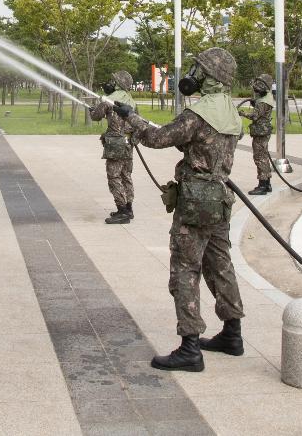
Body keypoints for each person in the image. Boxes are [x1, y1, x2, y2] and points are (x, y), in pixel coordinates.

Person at [115, 47, 246, 372]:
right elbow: (196, 142)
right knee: (220, 265)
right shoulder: (230, 112)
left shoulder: (197, 115)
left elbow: (158, 139)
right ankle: (232, 333)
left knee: (186, 269)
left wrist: (131, 116)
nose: (193, 75)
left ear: (211, 77)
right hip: (219, 199)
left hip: (196, 203)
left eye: (199, 70)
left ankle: (190, 347)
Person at [90, 70, 137, 224]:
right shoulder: (131, 100)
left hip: (115, 144)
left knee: (114, 176)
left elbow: (96, 116)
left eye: (113, 81)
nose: (110, 83)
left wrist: (92, 110)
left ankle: (122, 211)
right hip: (128, 142)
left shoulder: (109, 100)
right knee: (126, 175)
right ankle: (128, 208)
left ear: (118, 84)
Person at [238, 73, 274, 195]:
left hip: (261, 132)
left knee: (260, 158)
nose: (256, 88)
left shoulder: (263, 102)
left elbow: (255, 115)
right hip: (262, 131)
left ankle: (263, 185)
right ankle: (267, 183)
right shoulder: (266, 98)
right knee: (263, 157)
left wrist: (242, 113)